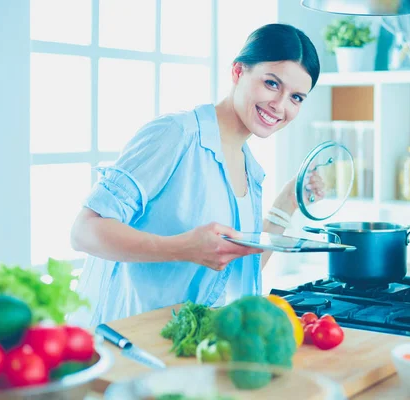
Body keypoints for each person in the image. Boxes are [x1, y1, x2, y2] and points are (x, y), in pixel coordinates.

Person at [68, 23, 322, 326]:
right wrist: (183, 248)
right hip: (133, 342)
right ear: (238, 72)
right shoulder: (176, 134)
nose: (280, 105)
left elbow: (236, 273)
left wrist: (288, 202)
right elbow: (84, 231)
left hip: (193, 350)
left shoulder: (249, 168)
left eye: (296, 98)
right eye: (271, 83)